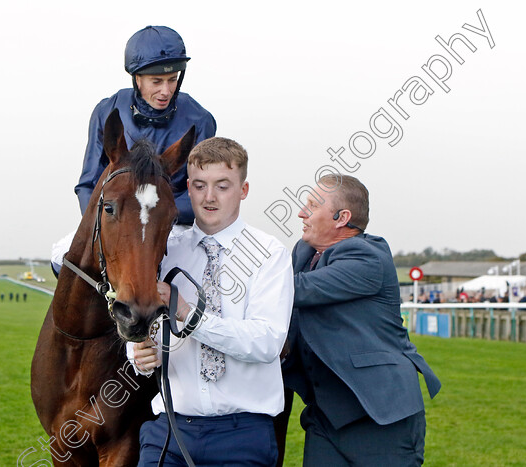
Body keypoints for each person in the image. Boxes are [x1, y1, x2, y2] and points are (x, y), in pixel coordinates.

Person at [129, 137, 293, 466]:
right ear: (187, 188)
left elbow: (266, 342)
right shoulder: (165, 247)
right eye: (200, 185)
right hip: (170, 430)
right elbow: (139, 315)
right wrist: (137, 353)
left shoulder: (269, 253)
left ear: (243, 190)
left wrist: (191, 316)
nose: (209, 197)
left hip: (243, 433)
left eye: (223, 186)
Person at [282, 174, 441, 466]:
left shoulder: (366, 256)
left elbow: (295, 291)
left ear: (342, 217)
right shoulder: (303, 252)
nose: (301, 213)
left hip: (380, 416)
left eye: (312, 206)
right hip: (326, 418)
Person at [51, 25, 217, 275]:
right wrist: (107, 223)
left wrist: (153, 214)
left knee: (171, 274)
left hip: (170, 226)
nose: (166, 91)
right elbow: (88, 184)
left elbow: (202, 191)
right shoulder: (107, 110)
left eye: (173, 80)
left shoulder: (200, 120)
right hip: (114, 221)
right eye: (156, 81)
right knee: (60, 260)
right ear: (137, 78)